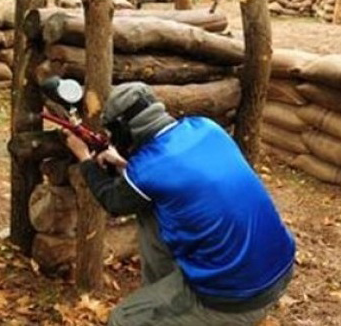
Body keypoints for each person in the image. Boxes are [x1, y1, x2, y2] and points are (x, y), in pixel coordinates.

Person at [63, 82, 296, 326]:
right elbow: (181, 172)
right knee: (152, 212)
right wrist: (123, 164)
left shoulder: (148, 170)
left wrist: (84, 158)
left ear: (123, 131)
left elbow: (113, 201)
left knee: (122, 320)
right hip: (278, 268)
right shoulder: (206, 127)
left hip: (234, 298)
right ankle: (167, 300)